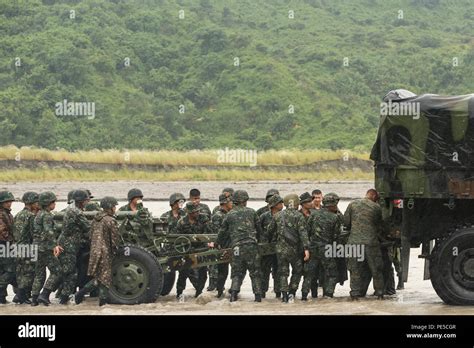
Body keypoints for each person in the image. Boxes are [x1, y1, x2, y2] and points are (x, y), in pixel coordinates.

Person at [216, 190, 262, 302]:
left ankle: (233, 296)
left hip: (236, 248)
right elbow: (259, 230)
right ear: (244, 200)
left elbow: (222, 233)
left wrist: (217, 243)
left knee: (236, 272)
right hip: (251, 246)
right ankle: (258, 297)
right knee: (255, 273)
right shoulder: (252, 212)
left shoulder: (229, 215)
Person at [75, 197, 119, 306]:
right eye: (114, 206)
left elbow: (90, 235)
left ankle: (81, 294)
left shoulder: (96, 219)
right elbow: (114, 240)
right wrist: (117, 251)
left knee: (100, 277)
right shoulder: (110, 220)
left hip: (95, 251)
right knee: (104, 278)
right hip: (104, 252)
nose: (115, 208)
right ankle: (102, 303)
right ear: (109, 207)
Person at [267, 194, 310, 303]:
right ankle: (292, 292)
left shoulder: (277, 216)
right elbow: (303, 234)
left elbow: (269, 231)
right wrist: (306, 249)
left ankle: (284, 295)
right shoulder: (299, 216)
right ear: (297, 204)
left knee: (283, 272)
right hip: (295, 250)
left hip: (280, 250)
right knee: (297, 271)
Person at [344, 189, 385, 300]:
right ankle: (380, 293)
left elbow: (346, 223)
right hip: (371, 243)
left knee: (355, 269)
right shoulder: (376, 207)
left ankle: (355, 295)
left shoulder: (352, 204)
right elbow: (379, 225)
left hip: (354, 243)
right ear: (374, 197)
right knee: (376, 269)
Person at [302, 195, 341, 300]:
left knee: (310, 273)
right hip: (326, 249)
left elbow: (307, 231)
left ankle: (304, 295)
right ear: (332, 205)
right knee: (332, 273)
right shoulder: (335, 217)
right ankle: (328, 295)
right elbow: (336, 236)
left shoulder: (313, 215)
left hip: (313, 248)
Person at [57, 190, 91, 304]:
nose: (87, 202)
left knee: (69, 272)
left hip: (68, 245)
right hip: (68, 246)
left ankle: (64, 298)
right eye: (86, 200)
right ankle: (63, 299)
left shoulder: (72, 209)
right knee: (70, 273)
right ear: (81, 201)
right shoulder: (76, 212)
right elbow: (87, 227)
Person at [31, 192, 63, 306]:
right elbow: (48, 231)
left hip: (37, 247)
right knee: (57, 271)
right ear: (48, 203)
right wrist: (55, 245)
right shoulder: (47, 215)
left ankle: (34, 298)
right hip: (45, 248)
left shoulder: (39, 214)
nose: (55, 204)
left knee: (39, 273)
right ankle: (44, 294)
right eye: (53, 202)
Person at [175, 202, 213, 298]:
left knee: (203, 272)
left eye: (198, 211)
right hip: (187, 250)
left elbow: (210, 232)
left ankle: (199, 292)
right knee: (183, 272)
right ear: (189, 213)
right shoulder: (182, 222)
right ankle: (179, 292)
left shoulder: (203, 218)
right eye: (195, 212)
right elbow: (177, 239)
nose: (197, 213)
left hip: (201, 249)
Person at [13, 192, 40, 304]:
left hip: (17, 247)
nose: (38, 204)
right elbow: (34, 234)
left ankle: (20, 296)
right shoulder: (31, 216)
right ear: (31, 203)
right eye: (36, 202)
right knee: (29, 272)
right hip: (27, 248)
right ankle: (21, 296)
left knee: (21, 272)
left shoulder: (18, 214)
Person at [259, 194, 283, 298]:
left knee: (278, 271)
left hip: (279, 248)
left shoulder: (283, 215)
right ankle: (262, 292)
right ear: (274, 205)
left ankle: (278, 292)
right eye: (280, 203)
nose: (282, 204)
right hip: (266, 249)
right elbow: (259, 231)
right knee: (264, 271)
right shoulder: (264, 216)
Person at [209, 193, 233, 297]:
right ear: (225, 203)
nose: (232, 203)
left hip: (231, 246)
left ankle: (232, 290)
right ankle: (219, 291)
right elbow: (217, 234)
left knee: (233, 271)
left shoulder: (230, 214)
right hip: (223, 248)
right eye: (230, 202)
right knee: (222, 272)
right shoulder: (218, 216)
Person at [0, 191, 16, 304]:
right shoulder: (1, 214)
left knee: (4, 271)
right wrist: (12, 241)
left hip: (5, 244)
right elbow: (2, 231)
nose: (9, 203)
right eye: (6, 202)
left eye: (10, 201)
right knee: (10, 270)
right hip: (3, 244)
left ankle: (2, 297)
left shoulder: (7, 213)